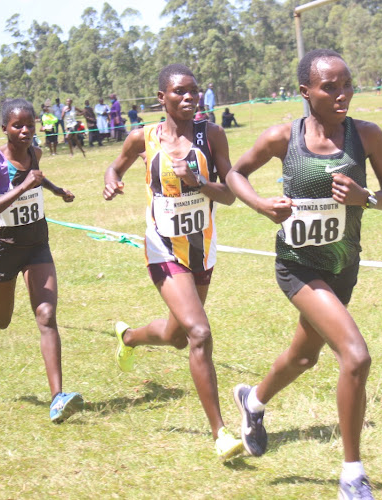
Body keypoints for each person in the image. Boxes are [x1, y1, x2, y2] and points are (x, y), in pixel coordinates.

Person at [226, 49, 382, 499]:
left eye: (347, 84)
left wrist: (367, 198)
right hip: (298, 268)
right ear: (306, 92)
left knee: (305, 356)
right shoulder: (283, 138)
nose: (342, 94)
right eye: (330, 87)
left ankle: (253, 400)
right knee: (356, 356)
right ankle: (352, 475)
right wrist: (262, 205)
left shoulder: (367, 136)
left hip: (343, 267)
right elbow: (234, 174)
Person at [102, 63, 244, 461]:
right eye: (179, 91)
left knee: (179, 335)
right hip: (162, 248)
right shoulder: (142, 138)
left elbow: (230, 193)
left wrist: (199, 181)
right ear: (161, 97)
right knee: (199, 332)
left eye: (193, 91)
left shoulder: (211, 134)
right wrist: (112, 178)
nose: (188, 97)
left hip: (202, 248)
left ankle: (128, 337)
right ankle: (220, 433)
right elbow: (117, 164)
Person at [0, 98, 83, 424]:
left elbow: (37, 177)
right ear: (5, 129)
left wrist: (56, 191)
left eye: (30, 124)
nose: (26, 131)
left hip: (36, 246)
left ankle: (58, 398)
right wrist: (22, 186)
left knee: (46, 314)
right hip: (3, 249)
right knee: (2, 318)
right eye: (18, 126)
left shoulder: (35, 153)